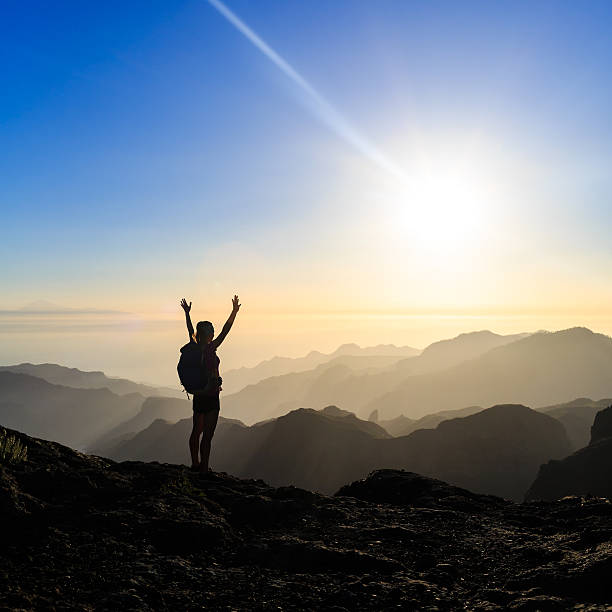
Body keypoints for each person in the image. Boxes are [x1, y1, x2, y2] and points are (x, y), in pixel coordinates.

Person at [180, 295, 240, 474]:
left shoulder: (194, 346)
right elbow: (226, 331)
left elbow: (190, 330)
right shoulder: (211, 347)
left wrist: (187, 314)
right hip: (212, 395)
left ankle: (195, 464)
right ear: (209, 334)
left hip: (199, 395)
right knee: (207, 435)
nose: (213, 332)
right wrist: (234, 312)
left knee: (196, 431)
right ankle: (204, 469)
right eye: (211, 330)